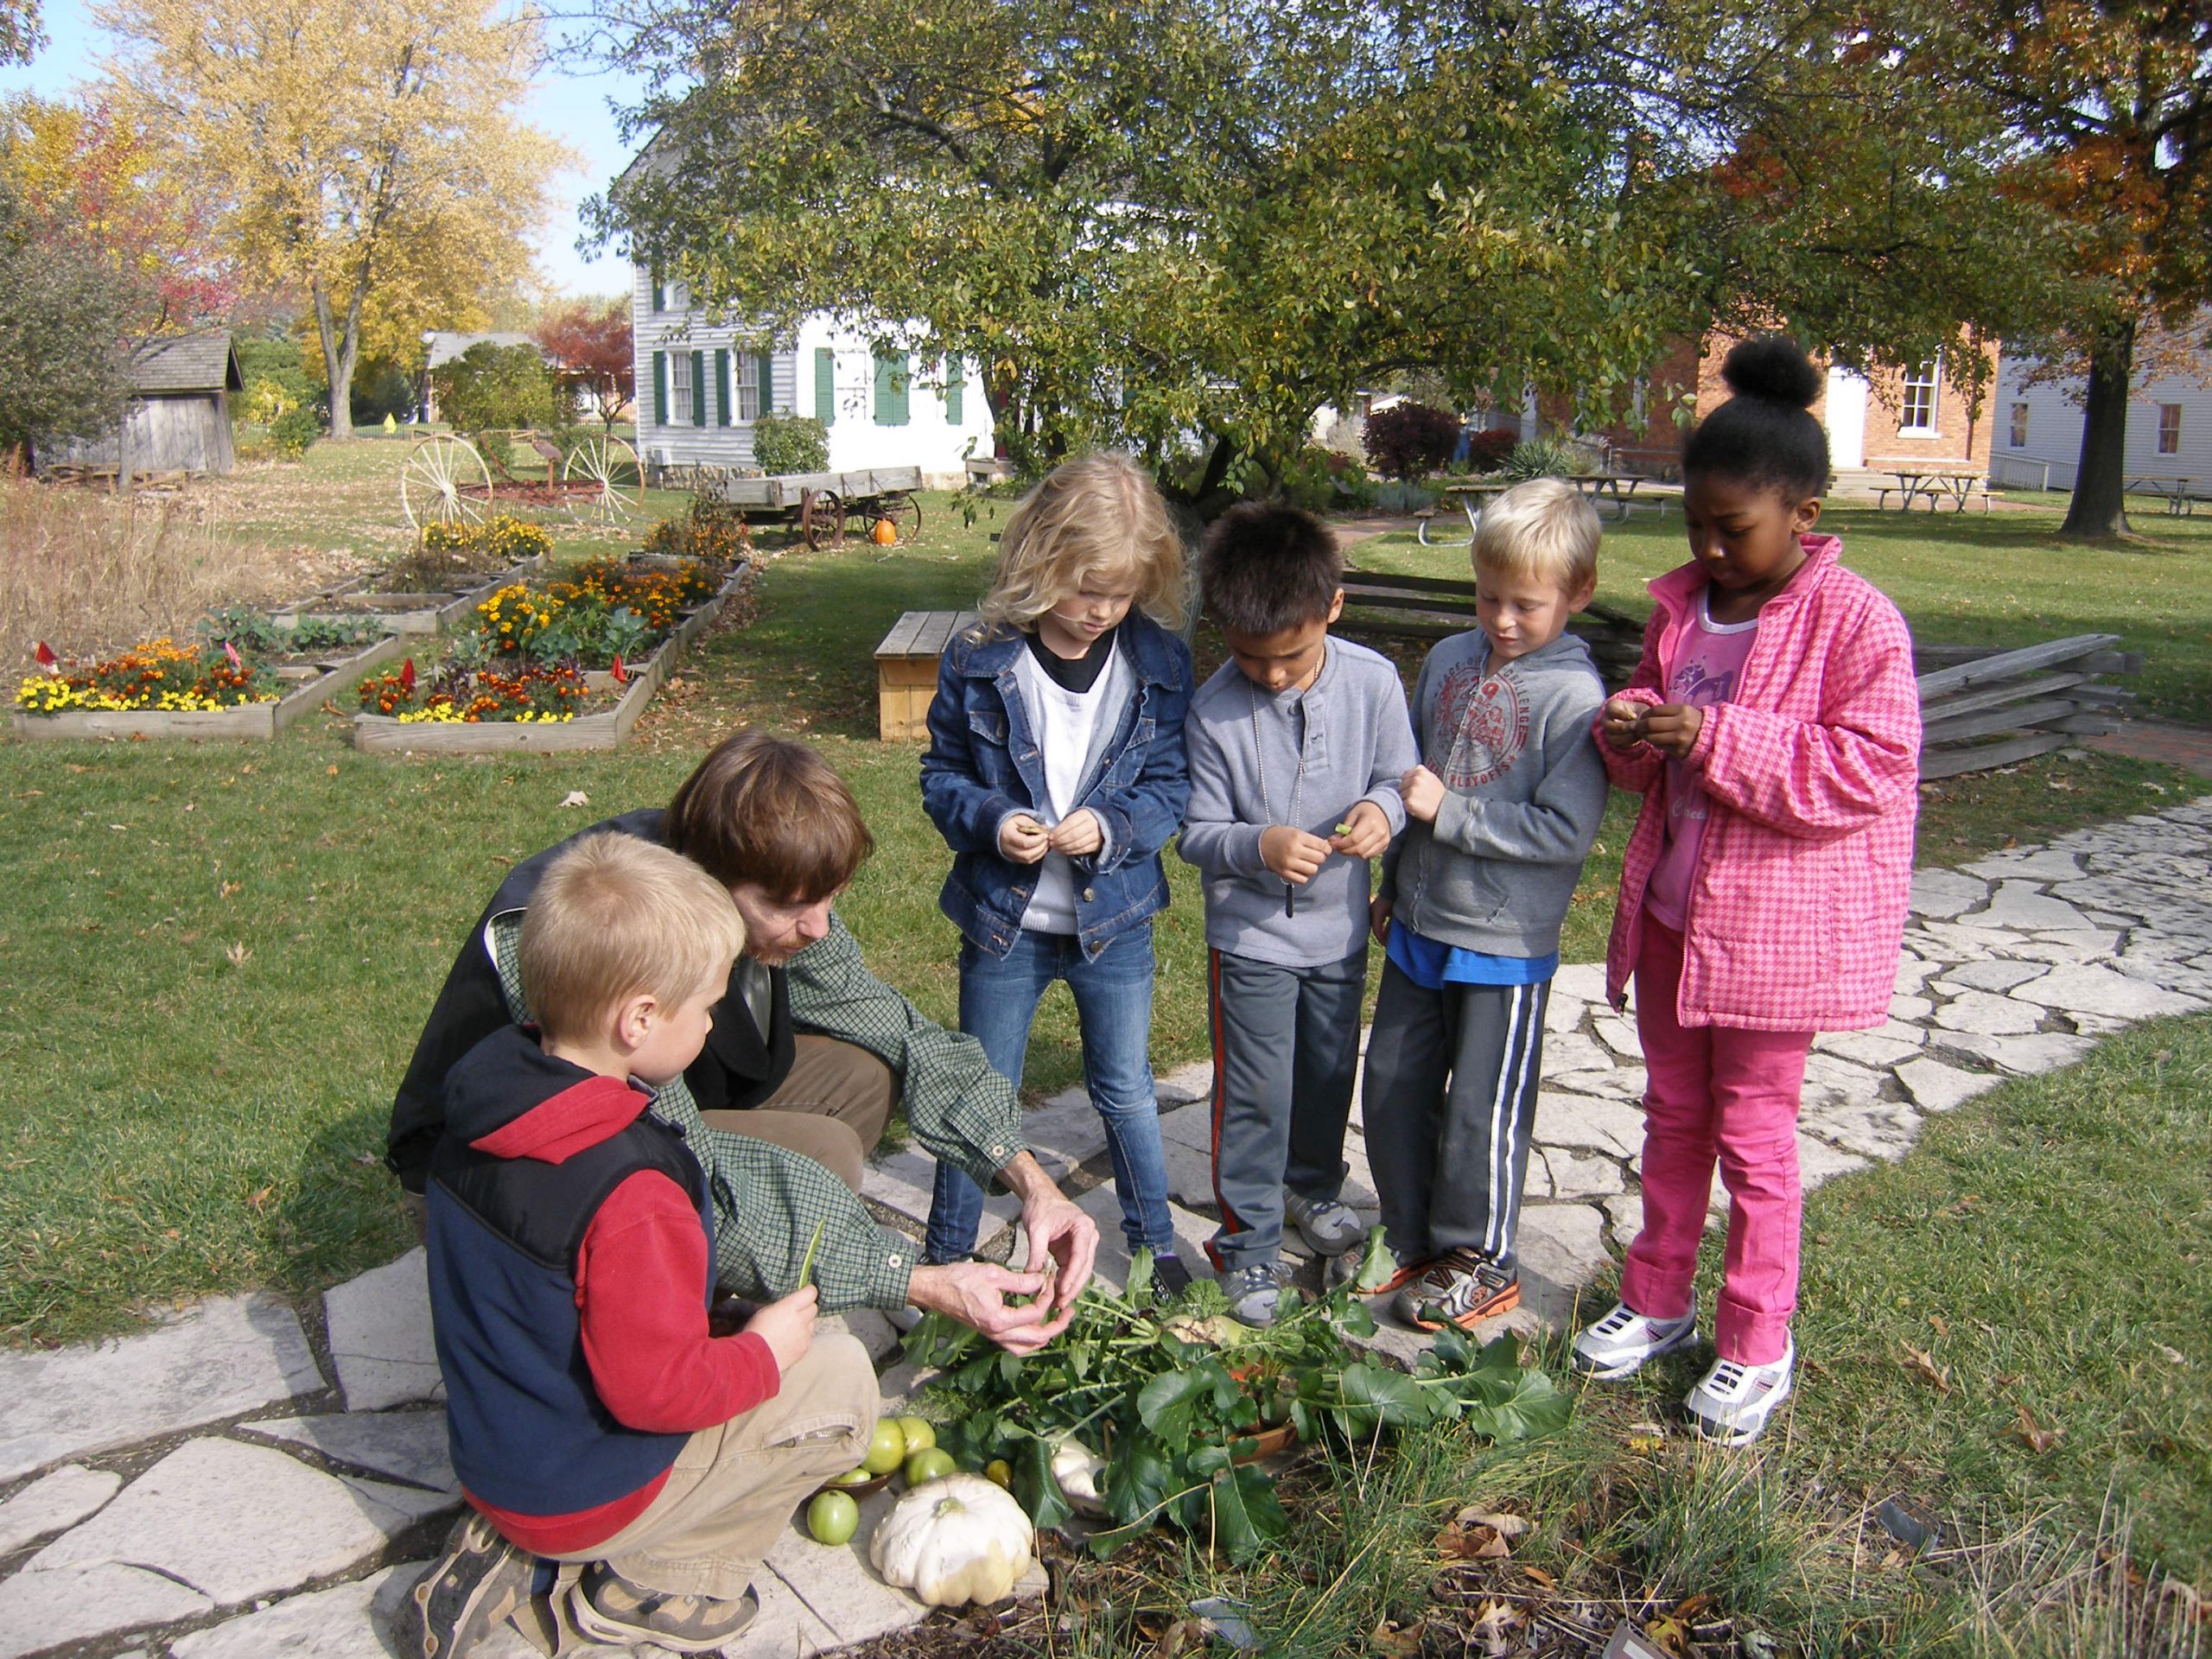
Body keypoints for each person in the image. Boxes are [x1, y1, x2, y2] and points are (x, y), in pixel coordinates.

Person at [387, 728, 1098, 1352]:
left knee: (866, 1069)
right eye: (790, 907)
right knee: (823, 1156)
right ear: (709, 879)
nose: (818, 927)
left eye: (830, 898)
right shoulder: (609, 933)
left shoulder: (743, 872)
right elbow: (656, 1140)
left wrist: (1032, 1183)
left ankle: (752, 1271)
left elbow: (896, 1027)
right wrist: (915, 1280)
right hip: (514, 1176)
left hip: (665, 1095)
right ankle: (695, 1308)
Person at [397, 833, 874, 1658]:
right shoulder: (631, 1192)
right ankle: (656, 1581)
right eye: (707, 1007)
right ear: (640, 1019)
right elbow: (657, 1394)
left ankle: (512, 1542)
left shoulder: (482, 1105)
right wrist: (762, 1353)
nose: (715, 1021)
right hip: (583, 1487)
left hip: (497, 1450)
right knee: (840, 1379)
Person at [1569, 336, 1921, 1446]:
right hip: (1676, 919)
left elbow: (1867, 767)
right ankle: (1659, 1297)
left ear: (1804, 514)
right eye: (1697, 528)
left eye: (1737, 528)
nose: (1713, 548)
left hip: (1772, 942)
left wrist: (1715, 736)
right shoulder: (1685, 615)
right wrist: (1624, 730)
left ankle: (1757, 1341)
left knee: (1755, 1142)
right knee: (1670, 1117)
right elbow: (1650, 764)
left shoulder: (1854, 622)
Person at [918, 452, 1197, 1291]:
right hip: (1005, 927)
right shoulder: (977, 657)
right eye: (1083, 590)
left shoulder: (1158, 662)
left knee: (1125, 1088)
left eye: (1118, 595)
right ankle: (947, 1254)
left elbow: (1169, 787)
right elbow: (941, 776)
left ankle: (1156, 1248)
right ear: (1038, 561)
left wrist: (1111, 826)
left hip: (1112, 925)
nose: (1099, 612)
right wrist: (994, 823)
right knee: (982, 1096)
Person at [1355, 478, 1611, 1332]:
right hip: (1421, 921)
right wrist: (1393, 882)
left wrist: (1449, 815)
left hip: (1502, 939)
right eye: (1488, 596)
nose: (1502, 620)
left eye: (1526, 605)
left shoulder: (1576, 701)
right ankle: (1413, 1236)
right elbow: (1414, 779)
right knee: (1391, 1082)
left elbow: (1562, 831)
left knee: (1481, 1109)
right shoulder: (1446, 663)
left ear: (1578, 594)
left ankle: (1481, 1258)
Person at [1177, 502, 1416, 1325]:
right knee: (1254, 1092)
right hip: (1249, 940)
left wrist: (1386, 811)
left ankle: (1311, 1191)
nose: (1272, 675)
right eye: (1251, 658)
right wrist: (1259, 844)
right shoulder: (1213, 711)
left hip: (1340, 934)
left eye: (1291, 656)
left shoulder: (1376, 683)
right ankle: (1244, 1244)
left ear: (1333, 608)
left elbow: (1399, 779)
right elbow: (1195, 832)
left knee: (1324, 1074)